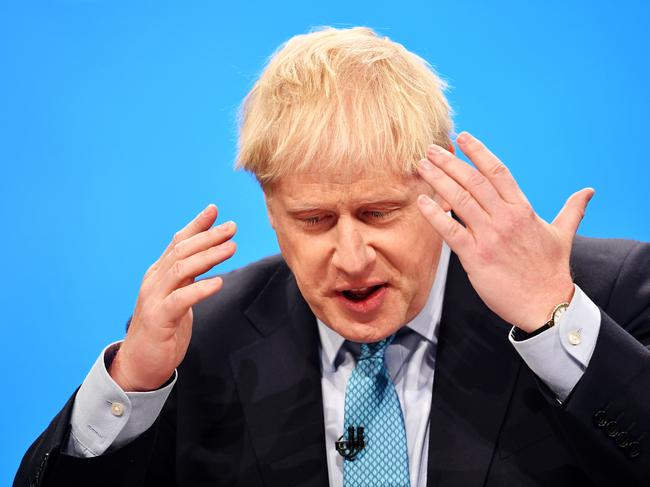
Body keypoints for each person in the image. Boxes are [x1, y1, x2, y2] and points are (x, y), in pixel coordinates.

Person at [14, 26, 650, 487]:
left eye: (379, 214)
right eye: (314, 220)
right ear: (270, 208)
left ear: (439, 186)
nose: (350, 257)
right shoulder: (201, 341)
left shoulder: (602, 294)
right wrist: (133, 384)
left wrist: (552, 321)